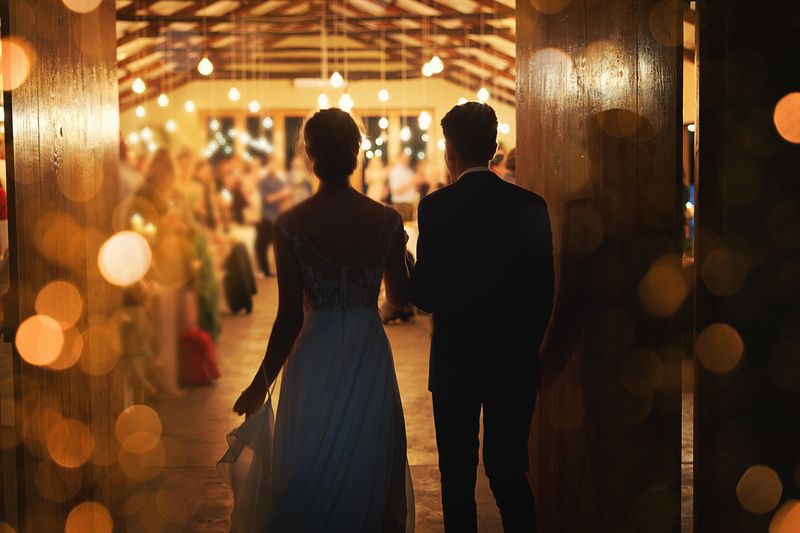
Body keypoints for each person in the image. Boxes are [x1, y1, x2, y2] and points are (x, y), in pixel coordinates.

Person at [220, 108, 414, 532]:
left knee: (307, 463)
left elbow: (289, 318)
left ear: (308, 155)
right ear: (357, 153)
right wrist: (384, 291)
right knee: (366, 461)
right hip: (366, 352)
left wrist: (260, 384)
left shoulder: (290, 224)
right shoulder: (387, 220)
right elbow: (400, 298)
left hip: (314, 356)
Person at [410, 102, 554, 533]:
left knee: (456, 477)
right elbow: (544, 291)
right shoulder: (531, 205)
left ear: (449, 151)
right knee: (509, 472)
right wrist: (527, 349)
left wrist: (403, 261)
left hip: (456, 362)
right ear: (493, 148)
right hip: (514, 361)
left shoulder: (435, 208)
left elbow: (426, 296)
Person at [255, 154, 291, 276]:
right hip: (266, 218)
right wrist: (282, 194)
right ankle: (265, 270)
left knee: (277, 246)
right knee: (263, 246)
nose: (272, 167)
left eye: (274, 164)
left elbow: (285, 199)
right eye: (270, 164)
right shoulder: (264, 182)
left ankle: (277, 270)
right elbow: (267, 199)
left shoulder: (280, 181)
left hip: (277, 217)